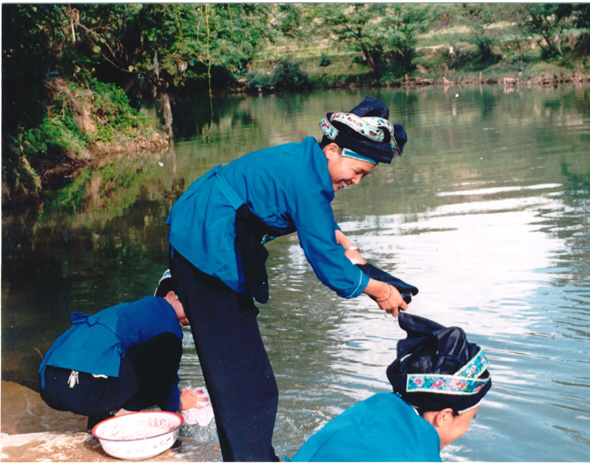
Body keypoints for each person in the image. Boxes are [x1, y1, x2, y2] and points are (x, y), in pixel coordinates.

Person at [166, 96, 410, 461]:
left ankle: (254, 455)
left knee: (251, 377)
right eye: (357, 171)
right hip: (204, 244)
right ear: (332, 150)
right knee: (242, 378)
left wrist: (344, 243)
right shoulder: (306, 181)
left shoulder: (305, 163)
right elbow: (329, 268)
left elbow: (319, 223)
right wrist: (379, 290)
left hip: (211, 237)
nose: (356, 182)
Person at [292, 312, 492, 462]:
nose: (467, 428)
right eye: (470, 418)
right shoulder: (420, 456)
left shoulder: (375, 405)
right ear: (445, 416)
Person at [38, 270, 202, 430]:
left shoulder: (135, 312)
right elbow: (166, 379)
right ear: (171, 296)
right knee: (170, 345)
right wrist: (178, 403)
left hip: (50, 384)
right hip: (81, 388)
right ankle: (121, 421)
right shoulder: (166, 316)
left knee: (119, 361)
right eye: (191, 305)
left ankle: (99, 424)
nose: (195, 315)